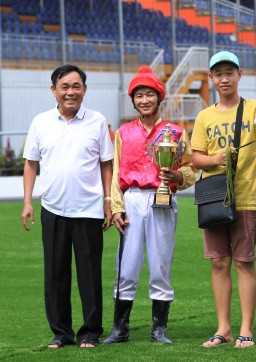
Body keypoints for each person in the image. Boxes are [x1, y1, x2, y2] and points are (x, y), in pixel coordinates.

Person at [191, 51, 256, 348]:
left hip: (244, 197)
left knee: (243, 262)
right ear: (211, 78)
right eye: (218, 74)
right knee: (219, 262)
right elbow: (195, 159)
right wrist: (216, 157)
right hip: (214, 197)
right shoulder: (205, 115)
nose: (224, 78)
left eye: (229, 72)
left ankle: (246, 329)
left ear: (240, 74)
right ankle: (223, 329)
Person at [21, 64, 114, 349]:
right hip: (52, 209)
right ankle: (61, 333)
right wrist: (27, 202)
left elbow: (106, 163)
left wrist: (108, 200)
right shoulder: (40, 122)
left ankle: (90, 332)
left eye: (76, 86)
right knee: (55, 274)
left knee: (89, 274)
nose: (70, 92)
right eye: (65, 86)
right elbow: (31, 163)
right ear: (54, 90)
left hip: (88, 210)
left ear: (85, 90)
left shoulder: (97, 121)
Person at [102, 66, 196, 345]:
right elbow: (116, 172)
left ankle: (159, 329)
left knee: (160, 263)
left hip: (163, 200)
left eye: (149, 95)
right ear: (133, 100)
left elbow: (191, 170)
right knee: (126, 265)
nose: (144, 100)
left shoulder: (176, 133)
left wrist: (178, 176)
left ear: (159, 98)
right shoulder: (122, 132)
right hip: (131, 199)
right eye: (139, 95)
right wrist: (116, 207)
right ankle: (120, 329)